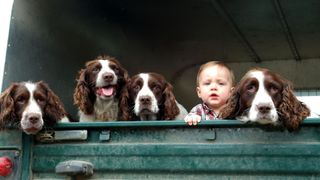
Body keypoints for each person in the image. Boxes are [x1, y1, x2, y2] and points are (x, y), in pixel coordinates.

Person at [184, 61, 235, 125]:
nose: (213, 87)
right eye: (207, 83)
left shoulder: (235, 110)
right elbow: (189, 123)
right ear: (199, 92)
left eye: (221, 83)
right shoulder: (198, 110)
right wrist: (192, 119)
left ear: (231, 92)